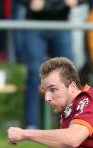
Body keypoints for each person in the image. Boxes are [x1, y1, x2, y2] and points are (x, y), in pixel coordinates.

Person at [19, 0, 76, 129]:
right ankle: (31, 124)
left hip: (61, 22)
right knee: (34, 73)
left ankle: (69, 123)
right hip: (35, 23)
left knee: (66, 74)